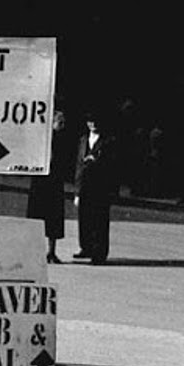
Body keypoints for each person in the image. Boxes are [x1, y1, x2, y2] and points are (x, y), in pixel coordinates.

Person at [73, 111, 119, 265]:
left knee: (99, 221)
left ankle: (99, 253)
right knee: (84, 219)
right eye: (90, 122)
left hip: (100, 187)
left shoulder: (108, 141)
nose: (93, 125)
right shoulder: (83, 140)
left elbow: (113, 165)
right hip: (85, 185)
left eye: (95, 122)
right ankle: (85, 247)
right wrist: (77, 191)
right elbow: (79, 166)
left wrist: (97, 161)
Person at [27, 108, 71, 263]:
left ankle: (51, 251)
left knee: (54, 220)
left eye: (63, 123)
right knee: (37, 218)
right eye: (60, 122)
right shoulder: (42, 139)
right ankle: (36, 251)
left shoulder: (63, 140)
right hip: (41, 182)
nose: (62, 125)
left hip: (54, 182)